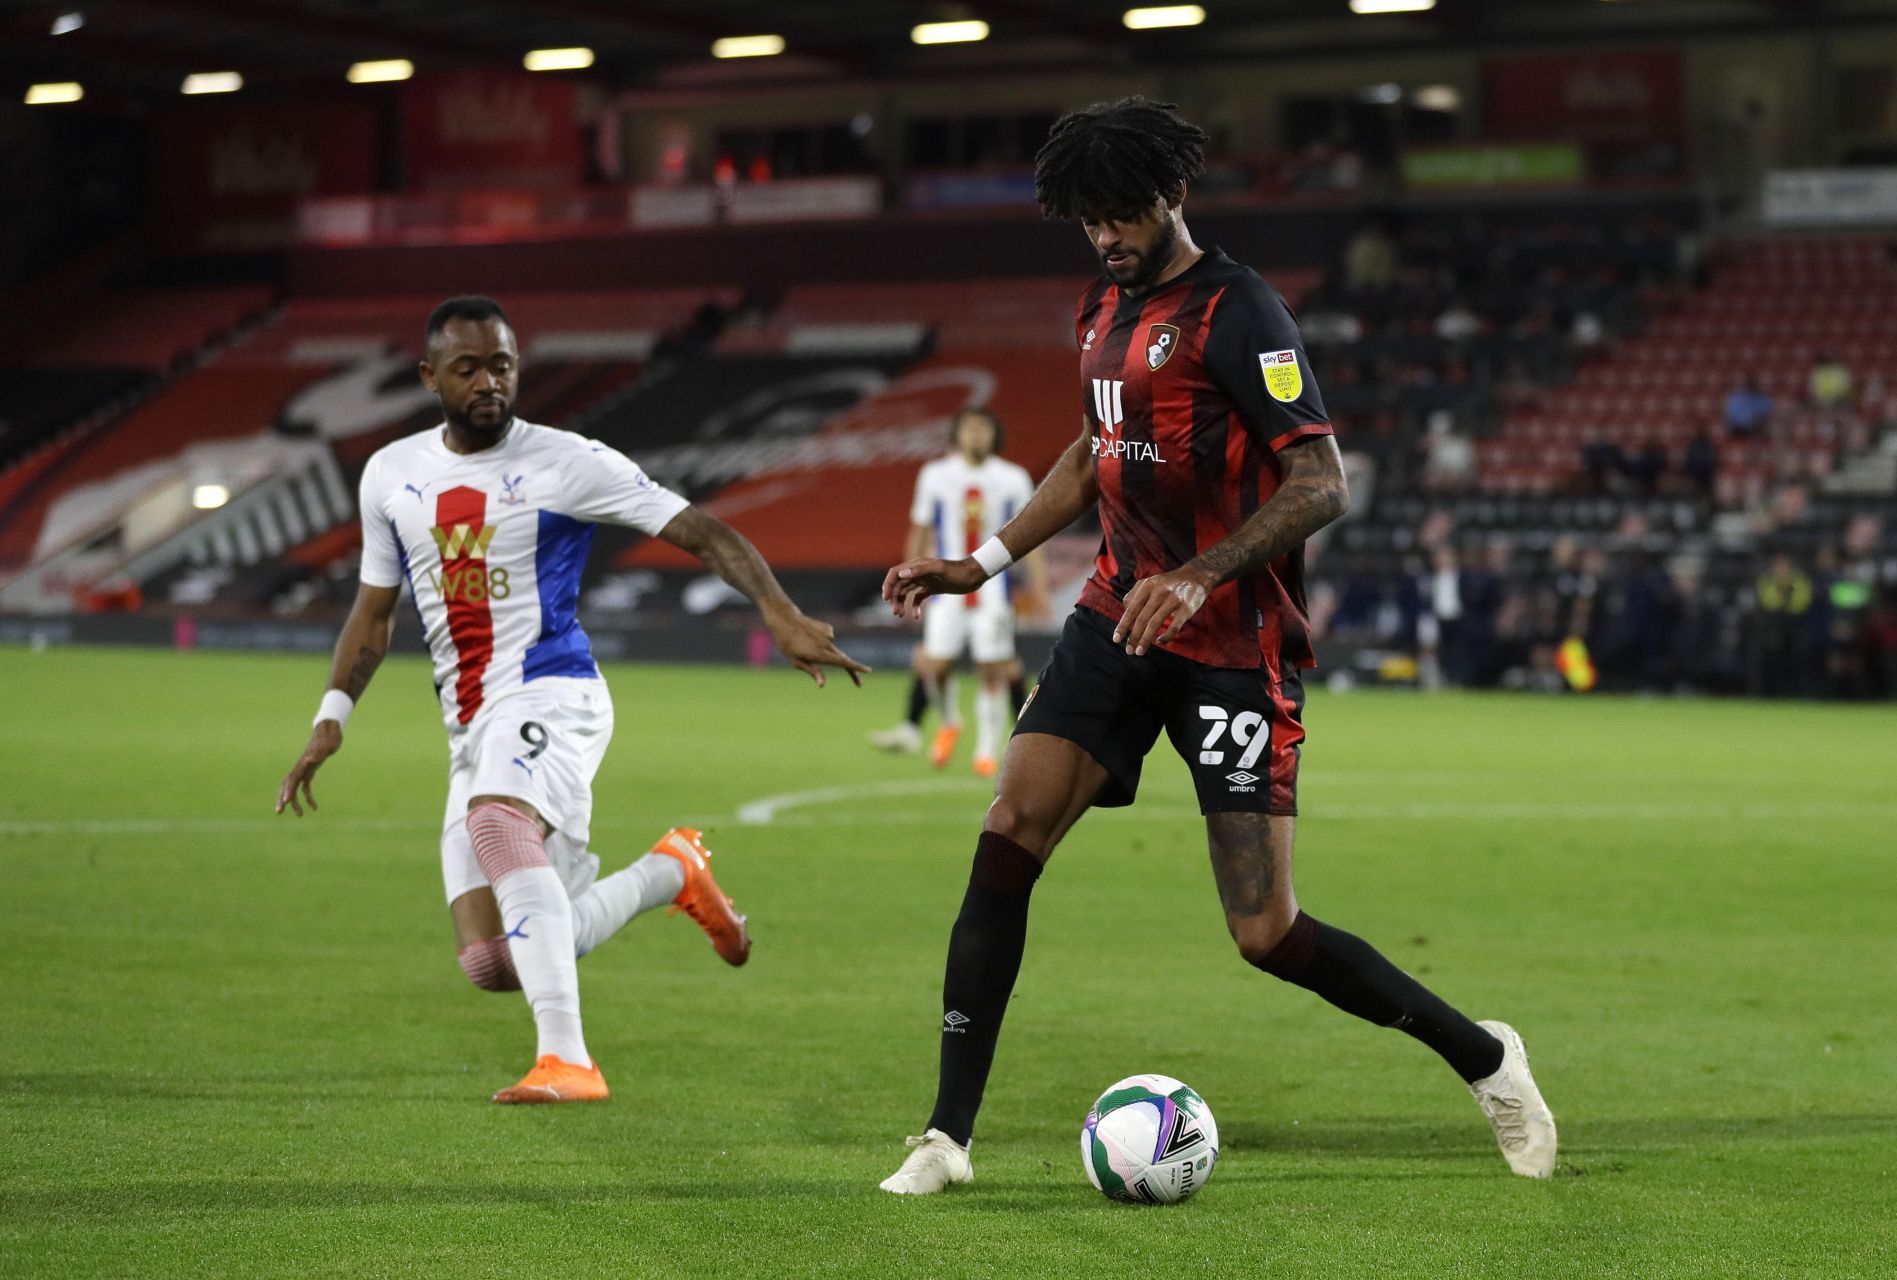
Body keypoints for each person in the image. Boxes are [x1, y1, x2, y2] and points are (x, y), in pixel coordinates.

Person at [875, 99, 1555, 1195]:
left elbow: (1322, 481)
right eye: (1089, 218)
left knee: (1265, 930)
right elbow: (1093, 450)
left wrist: (1202, 573)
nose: (1107, 236)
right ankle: (947, 1133)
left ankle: (1486, 1056)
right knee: (1008, 833)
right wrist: (984, 560)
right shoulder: (1099, 303)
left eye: (1125, 213)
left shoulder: (1243, 312)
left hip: (1234, 641)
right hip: (1114, 619)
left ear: (1174, 195)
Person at [275, 296, 868, 1104]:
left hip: (555, 690)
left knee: (496, 823)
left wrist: (780, 612)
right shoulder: (392, 474)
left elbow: (702, 532)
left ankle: (568, 1060)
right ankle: (671, 871)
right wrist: (330, 720)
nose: (490, 381)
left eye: (504, 365)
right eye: (469, 368)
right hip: (472, 725)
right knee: (494, 962)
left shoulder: (569, 462)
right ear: (428, 377)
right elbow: (373, 614)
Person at [869, 407, 1041, 775]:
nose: (976, 435)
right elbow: (919, 529)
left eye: (983, 429)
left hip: (995, 589)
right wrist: (908, 579)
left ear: (995, 435)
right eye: (969, 429)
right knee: (935, 664)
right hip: (944, 587)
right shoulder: (935, 475)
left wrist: (1037, 587)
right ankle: (950, 720)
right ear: (956, 434)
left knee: (992, 668)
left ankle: (986, 750)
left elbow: (1031, 535)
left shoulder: (1013, 478)